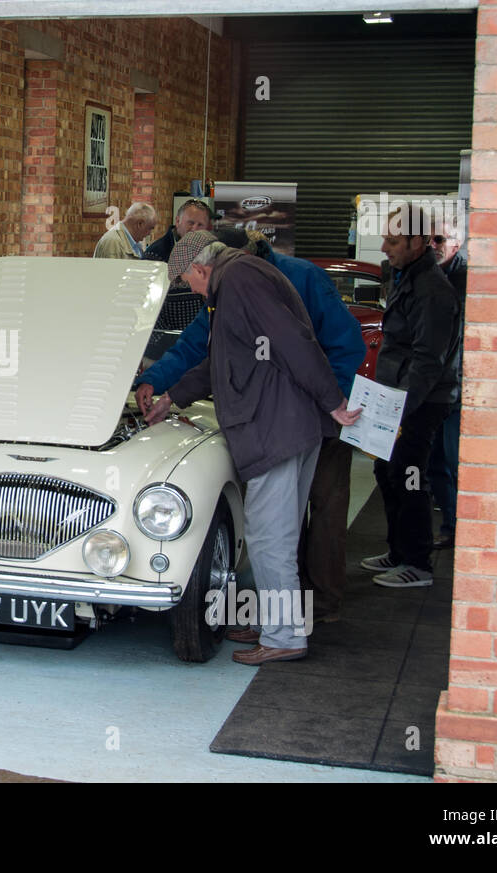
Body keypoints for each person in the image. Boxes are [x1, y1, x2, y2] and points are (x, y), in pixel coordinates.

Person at [140, 235, 360, 665]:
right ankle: (274, 624)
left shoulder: (239, 280)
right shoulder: (236, 281)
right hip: (287, 424)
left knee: (268, 537)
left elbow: (294, 342)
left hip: (276, 426)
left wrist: (333, 400)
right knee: (279, 535)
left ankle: (284, 638)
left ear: (201, 270)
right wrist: (172, 397)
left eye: (189, 282)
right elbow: (219, 358)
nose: (194, 291)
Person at [360, 203, 460, 587]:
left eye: (394, 240)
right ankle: (400, 551)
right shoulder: (406, 277)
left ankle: (418, 563)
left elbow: (427, 360)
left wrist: (399, 411)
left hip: (419, 402)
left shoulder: (433, 291)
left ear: (419, 242)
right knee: (387, 471)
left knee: (411, 475)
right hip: (396, 398)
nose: (385, 247)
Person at [427, 217, 466, 549]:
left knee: (455, 461)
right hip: (435, 390)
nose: (434, 246)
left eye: (440, 240)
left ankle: (461, 526)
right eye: (430, 240)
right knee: (435, 461)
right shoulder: (430, 277)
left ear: (457, 242)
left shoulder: (468, 280)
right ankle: (451, 525)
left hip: (458, 390)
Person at [143, 196, 213, 263]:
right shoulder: (155, 254)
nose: (195, 229)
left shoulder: (210, 253)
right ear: (177, 221)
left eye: (200, 225)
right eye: (191, 223)